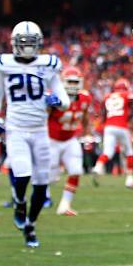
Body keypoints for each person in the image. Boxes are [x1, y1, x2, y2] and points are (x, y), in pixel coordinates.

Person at [0, 21, 70, 247]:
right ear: (14, 44)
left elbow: (65, 100)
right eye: (23, 43)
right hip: (16, 129)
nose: (27, 47)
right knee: (22, 174)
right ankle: (19, 201)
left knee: (42, 185)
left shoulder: (48, 65)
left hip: (40, 130)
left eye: (31, 43)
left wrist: (58, 101)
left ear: (39, 43)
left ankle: (31, 226)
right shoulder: (3, 65)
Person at [48, 66, 92, 216]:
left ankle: (65, 205)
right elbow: (44, 117)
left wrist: (87, 133)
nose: (73, 85)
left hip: (70, 139)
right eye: (70, 82)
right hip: (51, 140)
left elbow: (85, 117)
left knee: (76, 170)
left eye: (75, 82)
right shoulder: (55, 98)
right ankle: (43, 197)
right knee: (51, 177)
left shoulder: (85, 98)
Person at [92, 78, 133, 189]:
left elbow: (104, 113)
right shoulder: (126, 94)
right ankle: (129, 179)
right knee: (129, 152)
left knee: (108, 152)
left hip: (109, 126)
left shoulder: (107, 96)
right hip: (121, 126)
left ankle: (98, 167)